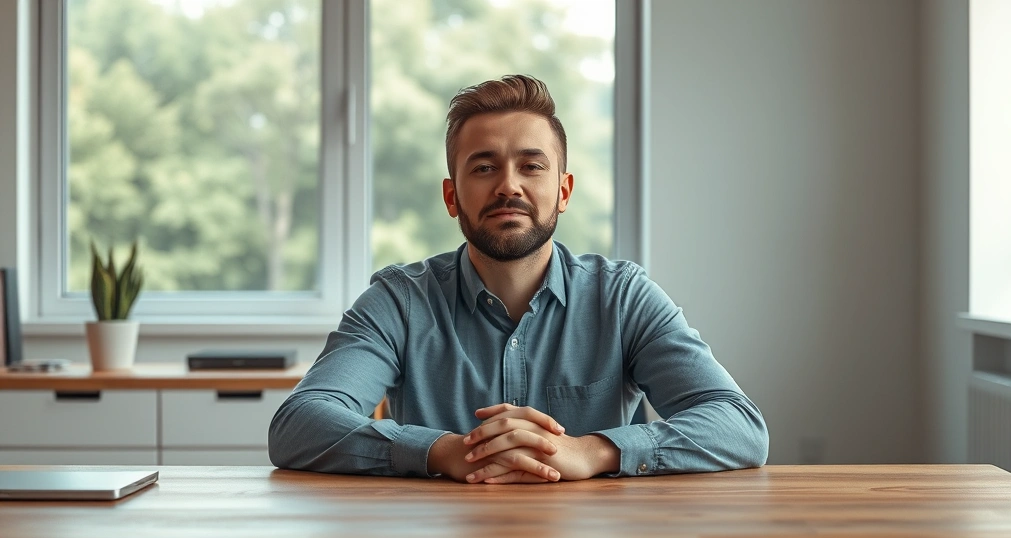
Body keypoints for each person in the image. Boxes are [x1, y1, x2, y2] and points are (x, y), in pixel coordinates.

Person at [269, 75, 769, 483]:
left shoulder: (623, 297)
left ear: (563, 189)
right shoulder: (399, 300)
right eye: (484, 167)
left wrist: (594, 451)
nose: (509, 185)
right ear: (451, 196)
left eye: (531, 166)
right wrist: (442, 451)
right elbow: (298, 424)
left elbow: (740, 426)